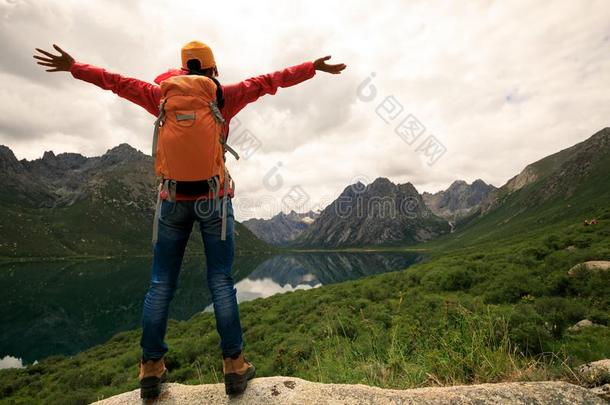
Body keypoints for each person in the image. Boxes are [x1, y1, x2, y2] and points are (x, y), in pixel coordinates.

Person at [33, 41, 346, 398]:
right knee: (221, 281)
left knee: (161, 283)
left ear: (183, 70)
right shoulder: (224, 96)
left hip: (172, 200)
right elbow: (270, 80)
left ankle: (150, 367)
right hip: (213, 199)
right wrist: (312, 67)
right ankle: (234, 364)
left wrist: (75, 67)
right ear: (213, 70)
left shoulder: (160, 95)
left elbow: (115, 82)